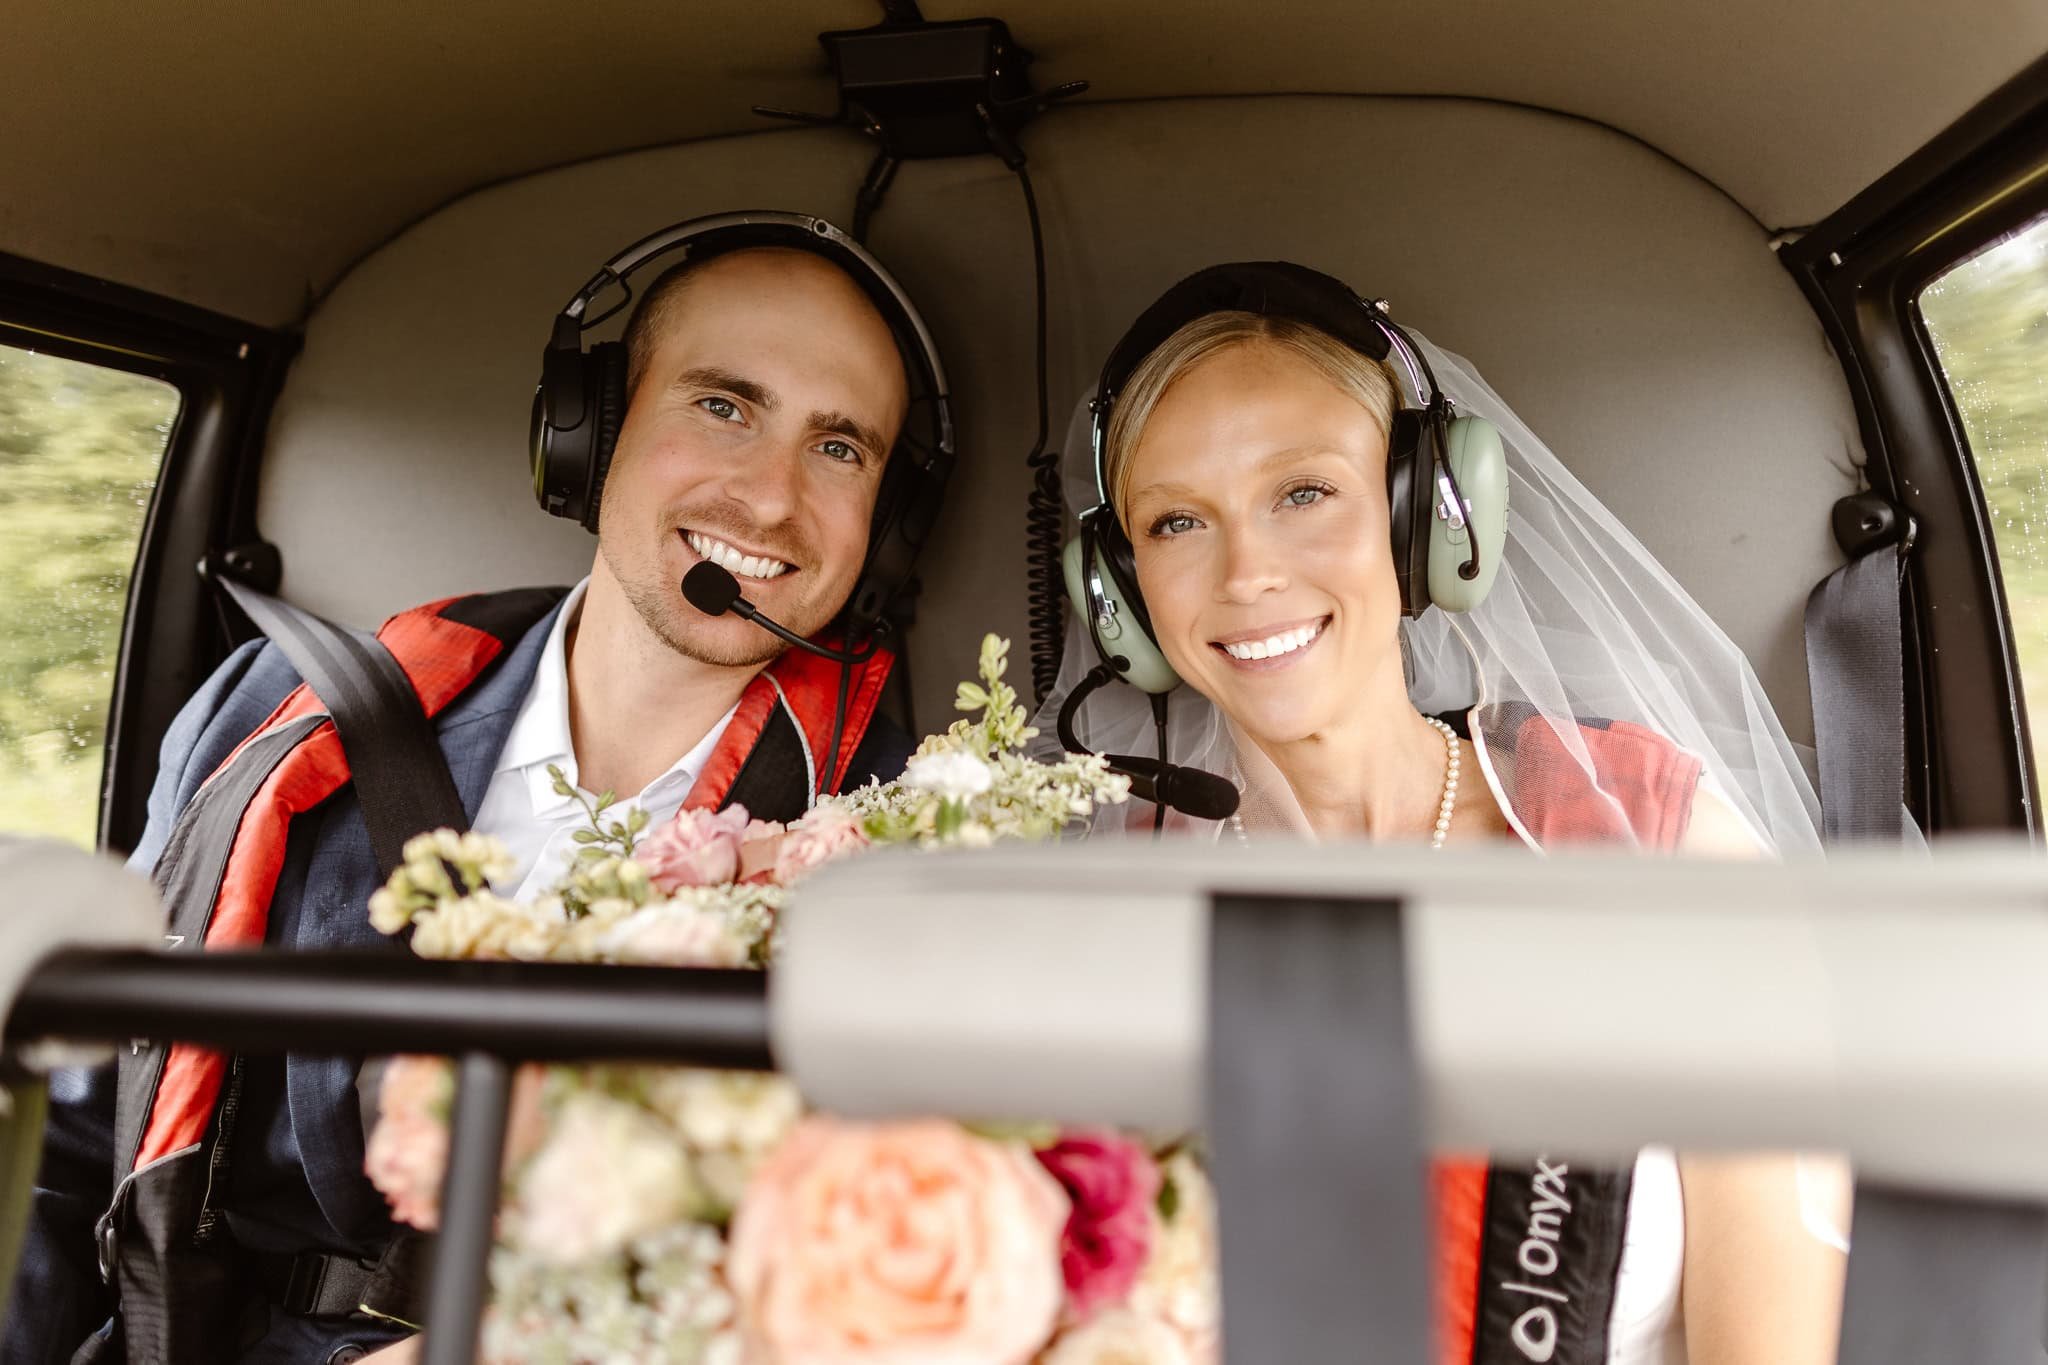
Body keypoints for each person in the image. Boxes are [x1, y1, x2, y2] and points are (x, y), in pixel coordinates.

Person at [5, 215, 944, 1365]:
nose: (770, 495)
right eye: (723, 406)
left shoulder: (911, 841)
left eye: (839, 447)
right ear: (588, 431)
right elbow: (69, 1140)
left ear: (885, 525)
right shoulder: (274, 710)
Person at [1039, 263, 1852, 1363]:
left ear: (1427, 511)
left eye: (1303, 491)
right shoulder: (1098, 917)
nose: (1246, 573)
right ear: (1122, 590)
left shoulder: (1650, 844)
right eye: (1178, 521)